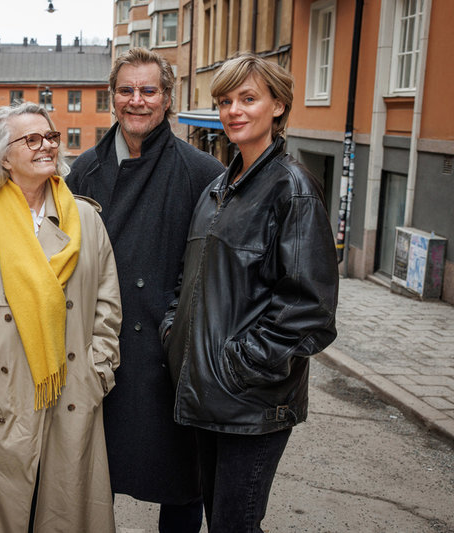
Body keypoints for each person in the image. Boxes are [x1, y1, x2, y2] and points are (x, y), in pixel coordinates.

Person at [161, 53, 339, 532]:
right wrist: (173, 331)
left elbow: (310, 310)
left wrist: (240, 366)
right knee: (220, 520)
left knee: (233, 525)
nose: (233, 111)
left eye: (248, 98)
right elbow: (189, 278)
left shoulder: (292, 189)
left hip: (250, 402)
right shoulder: (218, 189)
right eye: (224, 101)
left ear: (278, 106)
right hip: (204, 393)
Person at [0, 102, 122, 533]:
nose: (48, 146)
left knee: (65, 512)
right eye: (32, 139)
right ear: (4, 157)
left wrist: (98, 372)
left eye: (51, 137)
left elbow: (107, 306)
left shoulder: (86, 221)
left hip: (71, 392)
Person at [68, 47, 224, 531]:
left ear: (167, 99)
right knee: (90, 481)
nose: (137, 101)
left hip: (168, 358)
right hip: (100, 352)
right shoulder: (83, 171)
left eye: (148, 90)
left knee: (182, 486)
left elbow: (215, 274)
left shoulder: (202, 173)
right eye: (126, 90)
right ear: (113, 97)